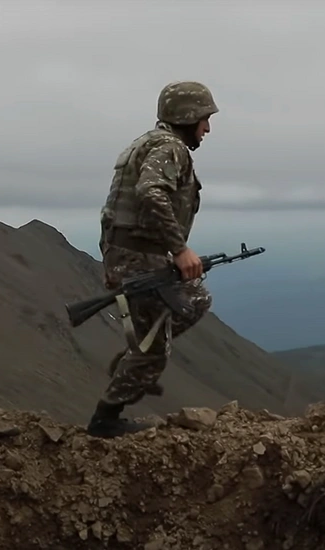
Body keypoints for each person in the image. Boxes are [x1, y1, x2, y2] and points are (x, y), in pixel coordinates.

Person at [86, 81, 219, 438]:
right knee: (155, 345)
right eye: (204, 119)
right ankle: (106, 419)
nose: (207, 128)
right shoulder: (170, 148)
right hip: (139, 259)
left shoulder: (149, 143)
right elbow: (150, 192)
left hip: (131, 254)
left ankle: (135, 361)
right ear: (187, 116)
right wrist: (179, 249)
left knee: (194, 300)